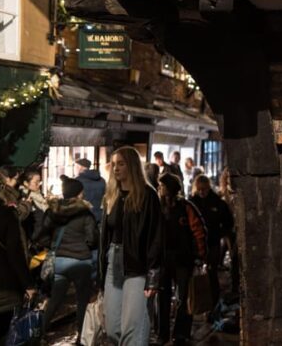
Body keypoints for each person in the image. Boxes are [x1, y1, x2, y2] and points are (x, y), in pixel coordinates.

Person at [100, 147, 163, 345]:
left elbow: (156, 237)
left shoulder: (148, 195)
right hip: (113, 261)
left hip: (138, 266)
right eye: (114, 164)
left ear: (132, 166)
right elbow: (105, 236)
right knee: (112, 327)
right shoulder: (111, 194)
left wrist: (153, 276)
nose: (116, 169)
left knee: (132, 328)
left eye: (121, 164)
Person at [38, 176, 98, 341]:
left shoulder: (53, 211)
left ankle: (39, 333)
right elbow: (93, 239)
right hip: (81, 262)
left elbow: (41, 234)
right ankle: (81, 337)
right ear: (79, 194)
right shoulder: (85, 213)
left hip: (60, 261)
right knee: (82, 301)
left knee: (54, 300)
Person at [0, 170, 35, 341]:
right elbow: (15, 253)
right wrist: (28, 284)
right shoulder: (6, 214)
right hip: (4, 287)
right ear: (1, 188)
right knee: (7, 335)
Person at [157, 173, 207, 345]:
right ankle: (162, 333)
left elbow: (198, 231)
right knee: (162, 297)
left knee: (184, 297)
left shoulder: (185, 207)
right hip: (164, 259)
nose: (160, 189)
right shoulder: (158, 207)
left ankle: (181, 333)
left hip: (183, 259)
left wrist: (199, 256)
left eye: (162, 186)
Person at [190, 174, 234, 308]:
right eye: (199, 189)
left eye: (204, 189)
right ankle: (198, 302)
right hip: (196, 245)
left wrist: (218, 234)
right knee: (196, 275)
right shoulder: (192, 202)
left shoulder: (217, 203)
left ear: (208, 188)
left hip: (212, 243)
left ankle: (213, 303)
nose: (202, 192)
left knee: (211, 272)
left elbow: (228, 222)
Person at [217, 169, 239, 296]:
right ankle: (234, 287)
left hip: (237, 227)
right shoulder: (223, 195)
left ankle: (236, 287)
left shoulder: (237, 192)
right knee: (234, 257)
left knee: (235, 258)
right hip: (229, 229)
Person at [75, 158, 106, 225]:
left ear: (81, 167)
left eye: (76, 166)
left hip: (83, 217)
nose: (75, 169)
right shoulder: (102, 180)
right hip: (99, 217)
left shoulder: (77, 181)